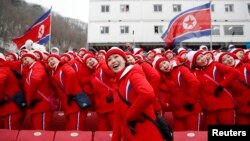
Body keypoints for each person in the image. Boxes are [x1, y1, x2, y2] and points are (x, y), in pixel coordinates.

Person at [106, 47, 164, 141]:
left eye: (116, 57)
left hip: (146, 134)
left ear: (125, 60)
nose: (113, 61)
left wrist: (130, 115)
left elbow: (147, 93)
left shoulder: (133, 73)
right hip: (130, 134)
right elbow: (118, 117)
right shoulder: (117, 83)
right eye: (109, 60)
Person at [186, 50, 236, 130]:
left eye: (202, 56)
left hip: (224, 105)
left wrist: (222, 85)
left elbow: (234, 72)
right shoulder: (194, 73)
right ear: (195, 63)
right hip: (209, 109)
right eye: (198, 59)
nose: (202, 59)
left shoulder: (215, 65)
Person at [47, 54, 91, 130]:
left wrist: (69, 93)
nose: (50, 61)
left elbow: (71, 74)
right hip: (69, 106)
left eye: (52, 59)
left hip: (76, 105)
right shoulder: (55, 72)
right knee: (70, 132)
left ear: (58, 59)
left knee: (76, 132)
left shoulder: (64, 66)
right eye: (48, 61)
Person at [21, 51, 53, 130]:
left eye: (26, 58)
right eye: (23, 60)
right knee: (36, 131)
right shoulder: (31, 68)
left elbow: (36, 80)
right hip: (36, 105)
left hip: (41, 105)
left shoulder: (37, 67)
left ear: (33, 58)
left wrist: (30, 98)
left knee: (40, 133)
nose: (24, 61)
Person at [0, 53, 26, 130]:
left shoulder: (3, 69)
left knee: (10, 135)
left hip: (9, 108)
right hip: (10, 107)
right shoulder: (7, 69)